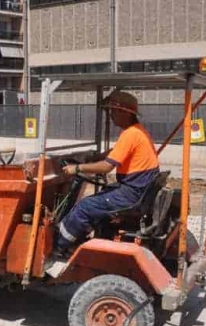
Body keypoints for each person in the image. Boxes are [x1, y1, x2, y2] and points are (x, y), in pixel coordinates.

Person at [55, 90, 160, 255]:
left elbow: (106, 167)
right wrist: (95, 157)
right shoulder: (137, 131)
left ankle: (59, 247)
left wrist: (76, 168)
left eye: (113, 111)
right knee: (102, 195)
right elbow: (115, 153)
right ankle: (82, 239)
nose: (111, 116)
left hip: (131, 193)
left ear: (124, 112)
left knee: (84, 206)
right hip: (138, 190)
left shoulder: (130, 134)